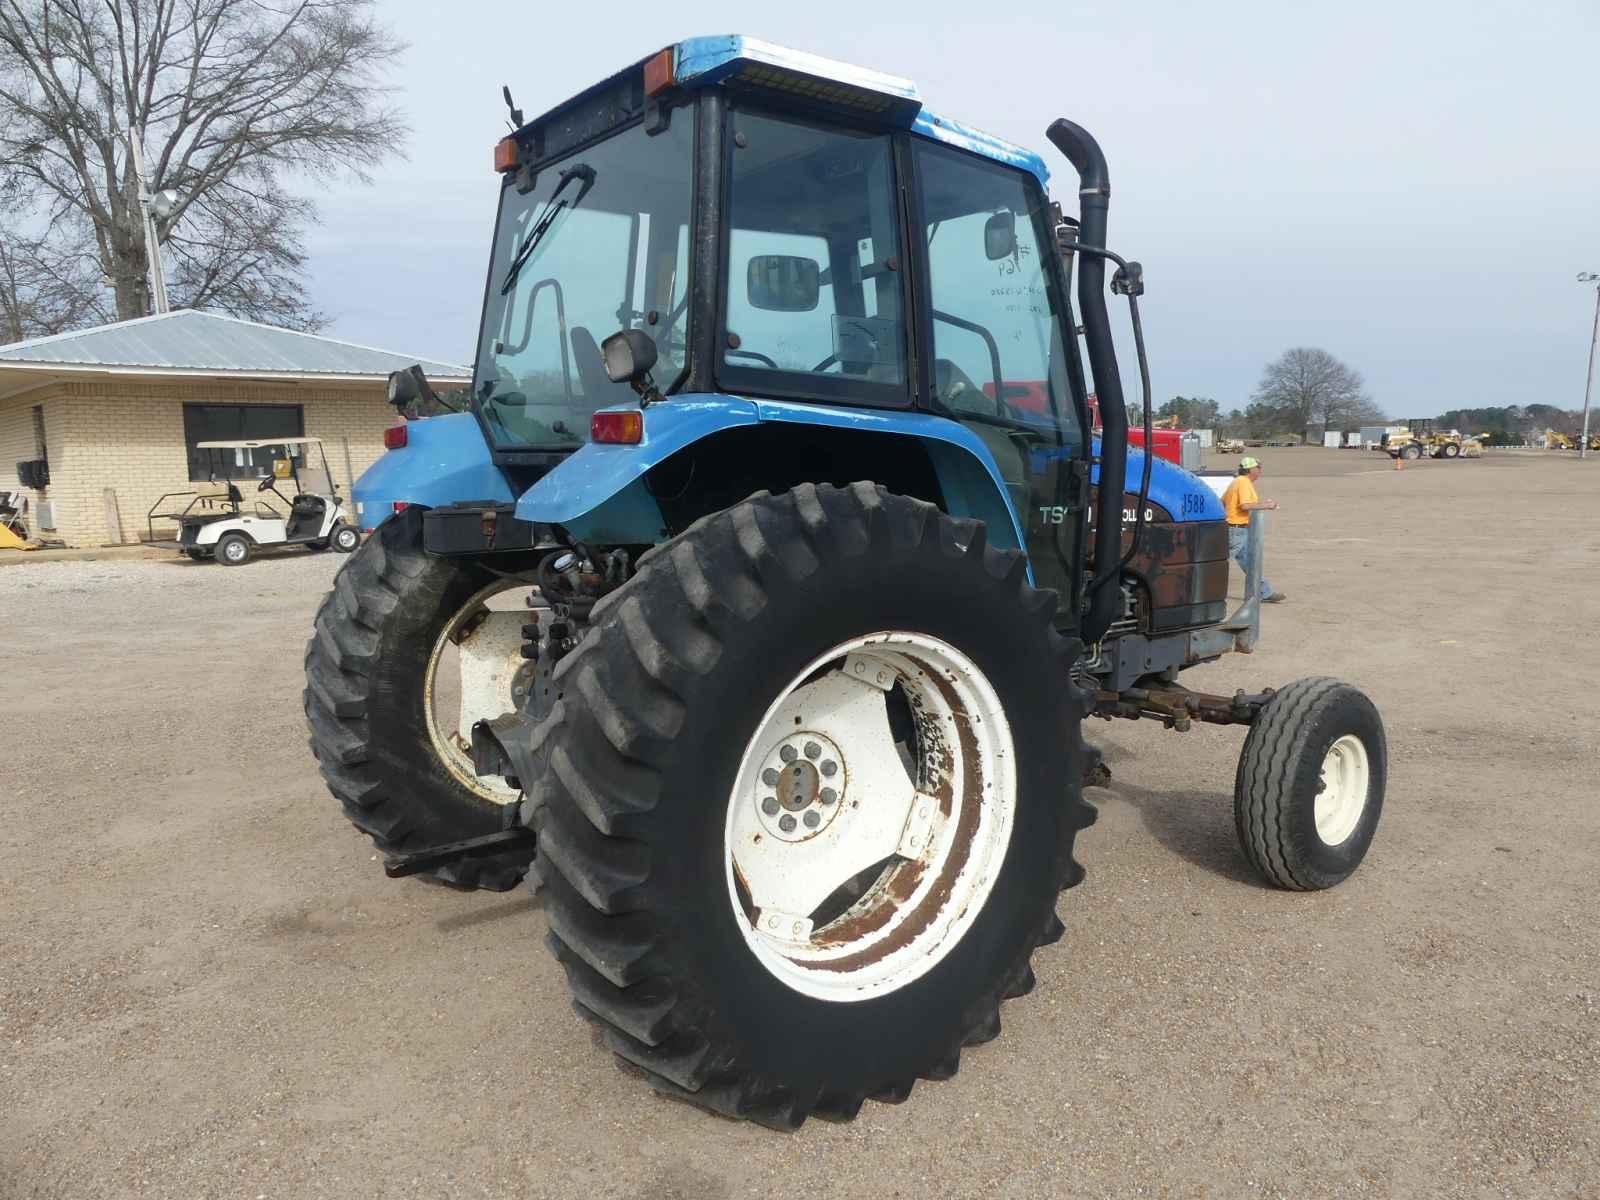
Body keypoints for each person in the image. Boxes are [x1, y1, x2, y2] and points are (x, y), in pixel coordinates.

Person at [1221, 456, 1285, 603]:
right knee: (1222, 563)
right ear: (1251, 470)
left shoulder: (1237, 482)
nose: (1260, 471)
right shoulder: (1243, 483)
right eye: (1258, 468)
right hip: (1236, 529)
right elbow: (1245, 505)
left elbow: (1222, 501)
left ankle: (1264, 592)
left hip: (1237, 529)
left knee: (1250, 562)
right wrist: (1267, 505)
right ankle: (1201, 591)